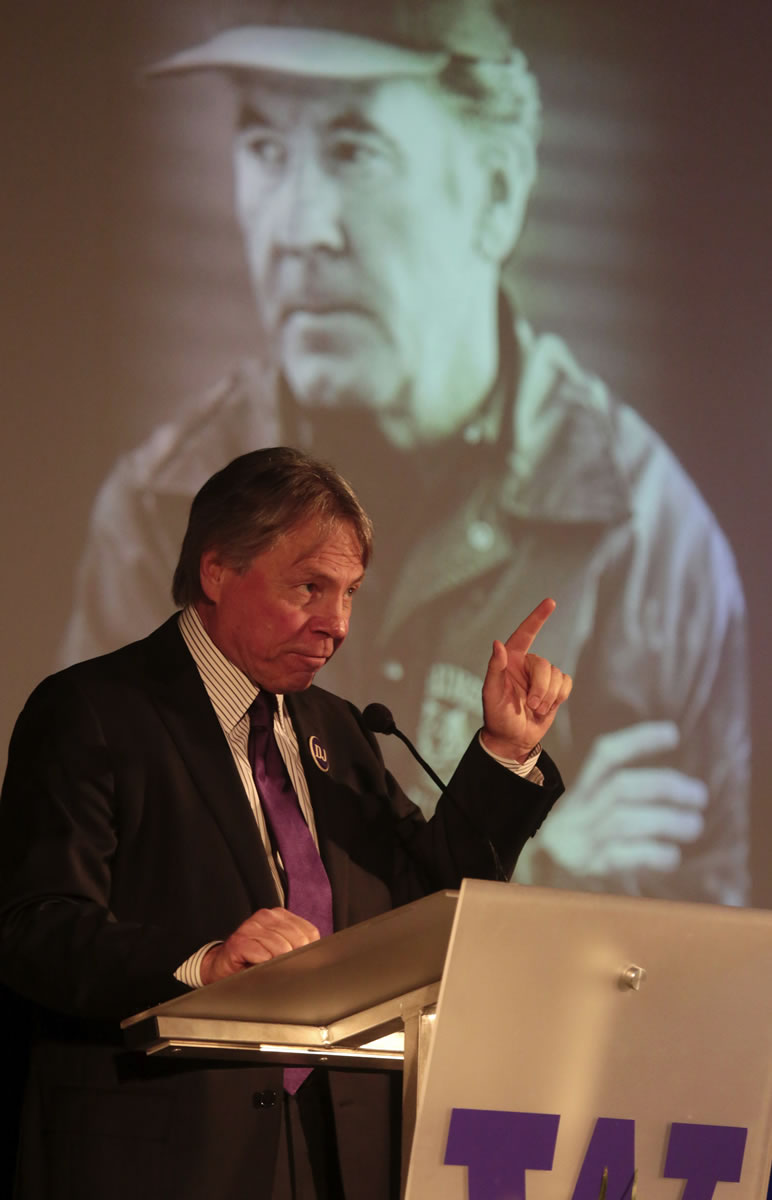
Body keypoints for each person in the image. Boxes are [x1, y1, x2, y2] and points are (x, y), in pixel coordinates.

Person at [58, 0, 749, 906]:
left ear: (498, 190)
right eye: (265, 146)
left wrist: (507, 764)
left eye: (355, 152)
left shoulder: (655, 544)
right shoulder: (155, 504)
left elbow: (695, 949)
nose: (300, 226)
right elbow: (110, 887)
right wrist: (552, 859)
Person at [0, 447, 569, 1200]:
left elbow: (425, 902)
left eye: (351, 594)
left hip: (342, 1150)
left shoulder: (338, 729)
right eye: (310, 588)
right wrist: (203, 967)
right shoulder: (94, 713)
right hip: (170, 1151)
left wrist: (503, 750)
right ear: (218, 572)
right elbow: (34, 928)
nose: (336, 624)